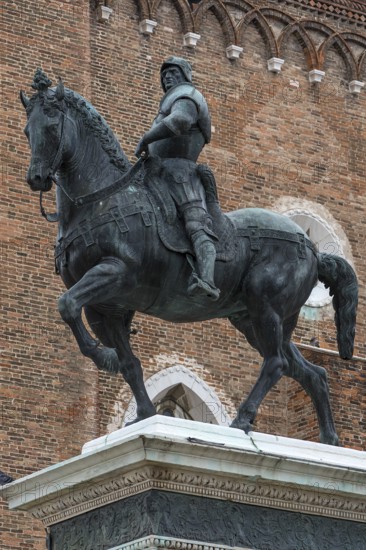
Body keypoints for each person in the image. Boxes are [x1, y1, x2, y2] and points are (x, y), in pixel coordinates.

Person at [135, 57, 220, 301]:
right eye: (164, 75)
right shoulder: (170, 99)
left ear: (184, 74)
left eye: (172, 72)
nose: (166, 78)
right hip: (157, 170)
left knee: (195, 223)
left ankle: (207, 279)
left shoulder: (187, 95)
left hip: (181, 172)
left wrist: (147, 138)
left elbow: (180, 121)